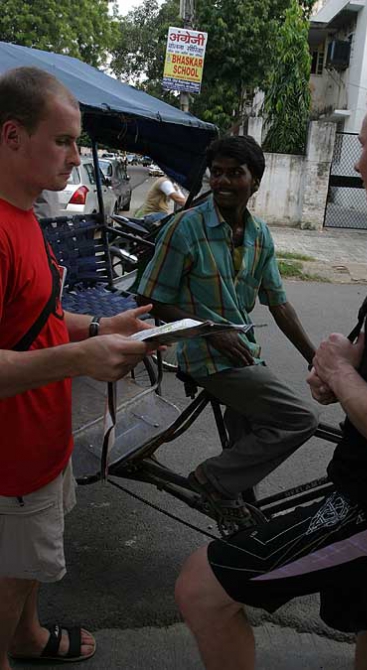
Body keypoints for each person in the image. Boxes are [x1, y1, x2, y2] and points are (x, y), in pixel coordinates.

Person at [174, 74, 367, 670]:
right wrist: (348, 364)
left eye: (365, 142)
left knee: (200, 587)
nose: (361, 156)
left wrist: (337, 373)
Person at [0, 67, 157, 669]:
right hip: (10, 458)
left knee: (29, 567)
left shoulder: (26, 215)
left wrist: (99, 329)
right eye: (62, 140)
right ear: (12, 135)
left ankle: (26, 635)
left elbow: (35, 318)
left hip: (42, 441)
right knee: (11, 573)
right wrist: (81, 358)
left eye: (76, 141)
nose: (74, 157)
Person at [138, 135, 318, 528]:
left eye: (234, 173)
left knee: (248, 441)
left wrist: (314, 357)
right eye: (216, 173)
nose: (221, 181)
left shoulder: (260, 236)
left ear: (255, 181)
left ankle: (240, 528)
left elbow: (279, 302)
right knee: (300, 419)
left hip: (242, 351)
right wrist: (210, 332)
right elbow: (151, 296)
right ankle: (212, 479)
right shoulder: (185, 228)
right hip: (202, 353)